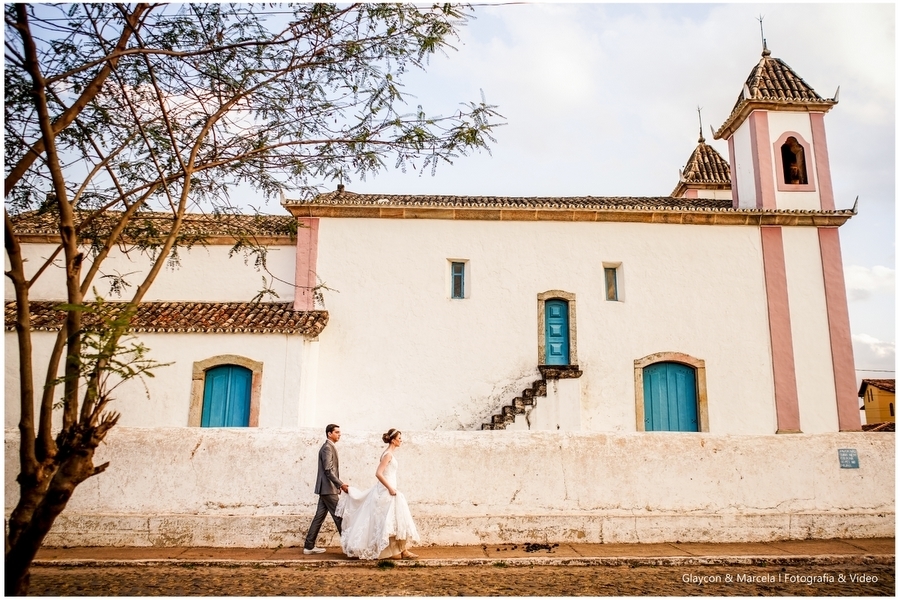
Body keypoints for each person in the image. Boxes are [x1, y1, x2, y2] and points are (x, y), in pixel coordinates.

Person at [336, 428, 420, 560]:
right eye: (399, 438)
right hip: (386, 491)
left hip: (389, 489)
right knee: (389, 520)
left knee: (395, 519)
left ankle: (403, 550)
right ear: (393, 440)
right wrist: (390, 488)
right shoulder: (388, 455)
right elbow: (378, 473)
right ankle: (396, 551)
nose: (401, 440)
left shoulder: (389, 454)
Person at [303, 424, 348, 554]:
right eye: (337, 432)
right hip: (328, 489)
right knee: (339, 516)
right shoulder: (327, 448)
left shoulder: (329, 447)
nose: (339, 434)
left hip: (327, 488)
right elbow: (328, 470)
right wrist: (340, 484)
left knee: (319, 517)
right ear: (329, 433)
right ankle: (349, 546)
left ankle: (309, 546)